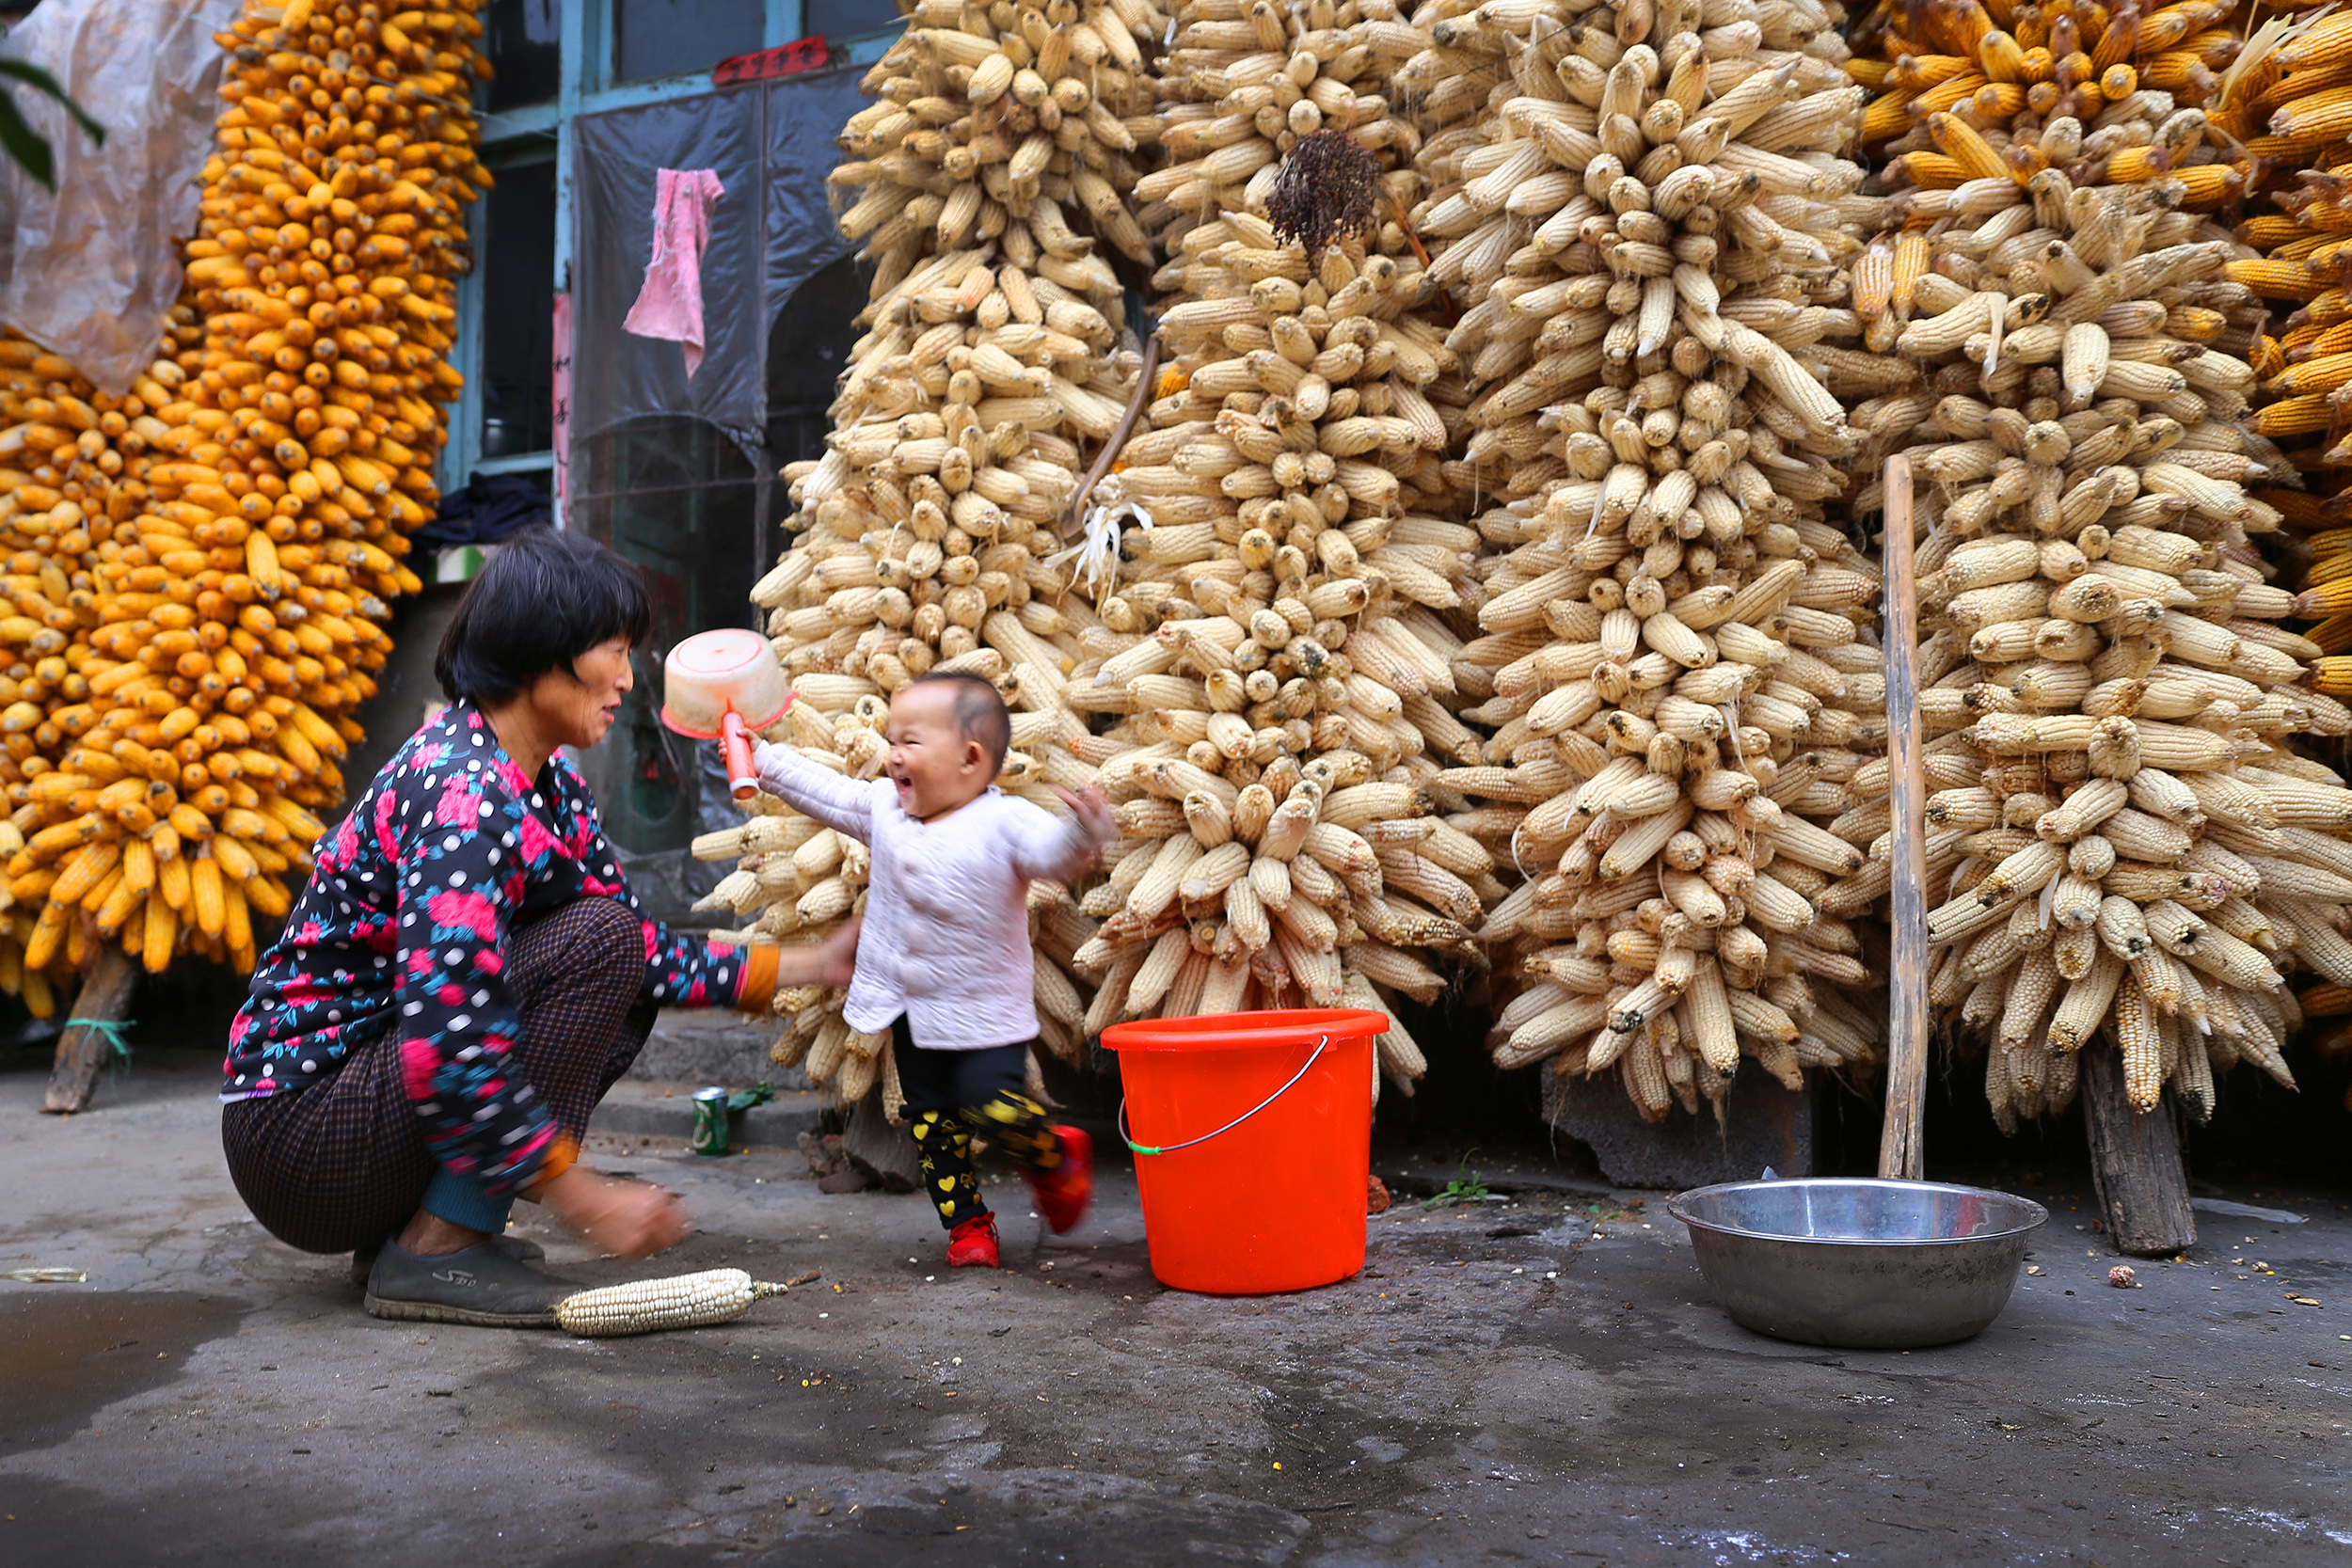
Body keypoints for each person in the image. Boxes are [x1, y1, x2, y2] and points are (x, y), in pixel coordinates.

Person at [218, 526, 859, 1327]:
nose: (628, 678)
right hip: (298, 1137)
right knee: (596, 942)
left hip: (360, 1109)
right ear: (539, 650)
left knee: (611, 951)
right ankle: (440, 1244)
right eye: (614, 651)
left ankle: (424, 1228)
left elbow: (641, 954)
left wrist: (815, 963)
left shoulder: (547, 783)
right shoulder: (463, 792)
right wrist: (583, 1198)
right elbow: (449, 1033)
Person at [750, 670, 1117, 1268]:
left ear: (971, 759)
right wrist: (762, 759)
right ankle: (968, 1226)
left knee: (986, 1103)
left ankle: (1052, 1155)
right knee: (930, 1124)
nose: (893, 755)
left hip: (983, 1010)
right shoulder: (886, 811)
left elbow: (1054, 855)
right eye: (893, 740)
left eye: (910, 742)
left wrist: (1083, 832)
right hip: (910, 1007)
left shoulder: (1005, 821)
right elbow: (827, 791)